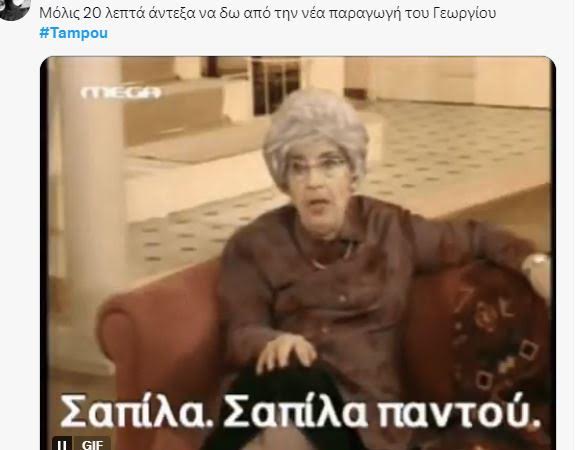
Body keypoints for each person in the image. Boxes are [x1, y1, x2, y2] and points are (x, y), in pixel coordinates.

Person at [202, 89, 551, 450]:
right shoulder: (255, 244)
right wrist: (274, 342)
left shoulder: (389, 229)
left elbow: (475, 236)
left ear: (353, 173)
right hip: (281, 400)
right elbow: (240, 333)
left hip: (366, 425)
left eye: (329, 163)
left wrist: (533, 263)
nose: (314, 181)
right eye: (298, 167)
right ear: (284, 181)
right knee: (292, 378)